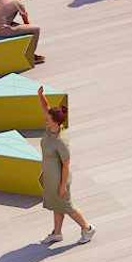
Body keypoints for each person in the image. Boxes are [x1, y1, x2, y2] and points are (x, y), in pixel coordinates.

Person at [37, 88, 94, 244]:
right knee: (57, 205)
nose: (45, 120)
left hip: (59, 180)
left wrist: (62, 186)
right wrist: (40, 96)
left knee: (67, 207)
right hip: (51, 177)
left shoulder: (61, 142)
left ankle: (87, 228)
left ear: (56, 122)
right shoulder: (50, 129)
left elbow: (66, 165)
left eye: (48, 119)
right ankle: (57, 233)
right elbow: (46, 108)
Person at [0, 0, 46, 64]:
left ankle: (21, 51)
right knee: (35, 29)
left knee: (17, 26)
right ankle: (30, 56)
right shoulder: (18, 3)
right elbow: (27, 23)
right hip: (1, 31)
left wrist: (2, 10)